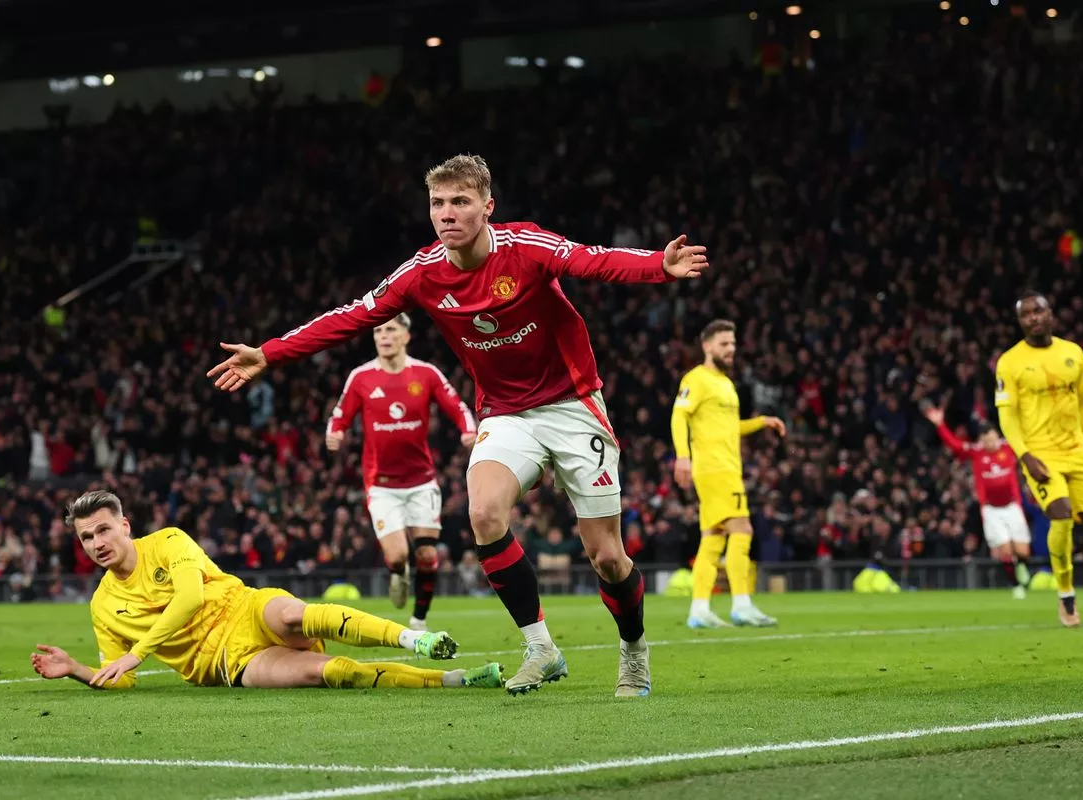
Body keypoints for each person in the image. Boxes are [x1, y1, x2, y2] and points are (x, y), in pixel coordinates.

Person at [207, 154, 710, 697]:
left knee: (607, 556)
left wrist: (659, 264)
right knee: (483, 512)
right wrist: (271, 353)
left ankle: (633, 650)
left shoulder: (526, 248)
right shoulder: (422, 273)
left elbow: (593, 260)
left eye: (460, 202)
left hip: (571, 404)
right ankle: (540, 647)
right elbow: (353, 314)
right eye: (438, 204)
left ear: (487, 207)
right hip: (506, 413)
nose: (447, 214)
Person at [30, 490, 504, 690]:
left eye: (103, 530)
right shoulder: (103, 607)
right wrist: (76, 669)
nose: (97, 543)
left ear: (125, 526)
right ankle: (456, 679)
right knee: (331, 672)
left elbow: (191, 598)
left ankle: (413, 638)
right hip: (226, 663)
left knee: (295, 615)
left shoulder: (170, 541)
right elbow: (123, 678)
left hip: (244, 609)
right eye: (87, 537)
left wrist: (140, 652)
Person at [326, 313, 477, 629]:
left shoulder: (425, 374)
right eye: (379, 330)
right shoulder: (362, 377)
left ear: (406, 336)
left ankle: (419, 620)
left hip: (422, 481)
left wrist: (468, 429)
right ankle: (397, 574)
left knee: (425, 554)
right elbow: (340, 413)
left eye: (391, 329)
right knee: (397, 556)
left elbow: (457, 406)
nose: (384, 335)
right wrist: (335, 431)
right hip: (381, 485)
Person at [994, 291, 1083, 628]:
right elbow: (1007, 418)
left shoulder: (1073, 353)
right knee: (1062, 517)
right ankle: (1066, 596)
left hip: (1078, 450)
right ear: (1020, 321)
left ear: (1050, 313)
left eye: (1038, 311)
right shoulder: (1010, 361)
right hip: (1040, 453)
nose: (1033, 318)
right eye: (1026, 315)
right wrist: (1024, 456)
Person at [671, 319, 783, 628]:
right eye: (724, 344)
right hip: (715, 468)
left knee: (713, 537)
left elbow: (731, 427)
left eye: (733, 344)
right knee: (743, 530)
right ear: (707, 346)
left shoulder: (726, 384)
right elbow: (679, 415)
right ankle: (742, 603)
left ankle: (699, 609)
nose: (730, 349)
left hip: (724, 467)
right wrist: (683, 456)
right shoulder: (697, 378)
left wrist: (762, 421)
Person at [924, 407, 1032, 599]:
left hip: (1012, 505)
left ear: (997, 436)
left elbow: (1029, 437)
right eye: (986, 441)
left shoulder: (1009, 447)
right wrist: (940, 424)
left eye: (992, 439)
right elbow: (955, 445)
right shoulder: (976, 452)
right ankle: (1015, 585)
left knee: (1023, 551)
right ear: (981, 440)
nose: (990, 443)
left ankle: (1022, 565)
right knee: (1005, 550)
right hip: (991, 509)